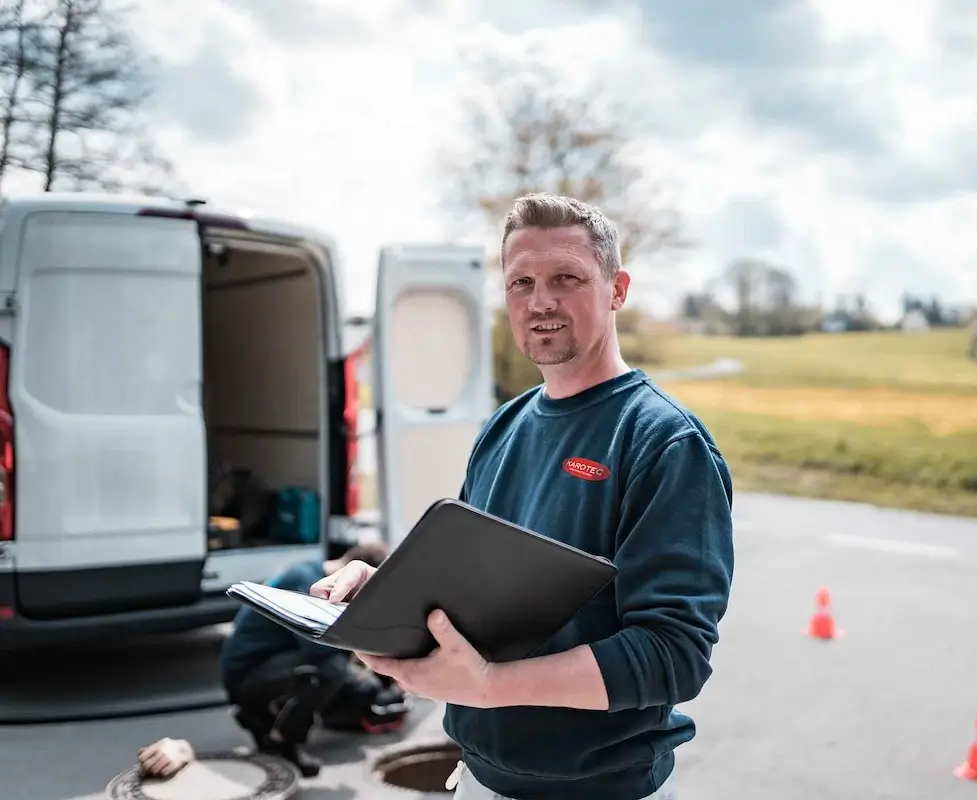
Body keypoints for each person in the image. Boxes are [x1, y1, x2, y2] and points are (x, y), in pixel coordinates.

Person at [312, 193, 736, 799]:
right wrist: (375, 591)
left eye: (566, 278)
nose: (541, 301)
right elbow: (464, 586)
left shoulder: (664, 441)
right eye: (522, 282)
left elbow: (672, 655)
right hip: (482, 778)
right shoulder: (502, 427)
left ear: (617, 289)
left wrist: (489, 685)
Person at [220, 541, 408, 777]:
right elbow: (319, 649)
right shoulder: (309, 583)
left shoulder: (309, 570)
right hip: (246, 675)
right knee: (331, 670)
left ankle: (267, 720)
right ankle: (282, 741)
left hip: (264, 662)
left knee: (351, 680)